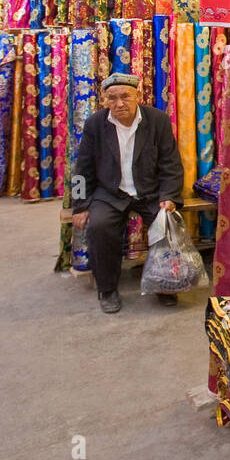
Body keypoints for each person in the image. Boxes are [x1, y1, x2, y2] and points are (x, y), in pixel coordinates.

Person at [72, 72, 184, 314]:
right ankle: (108, 289)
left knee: (165, 225)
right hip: (110, 192)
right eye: (112, 98)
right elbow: (81, 169)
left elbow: (170, 164)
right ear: (104, 100)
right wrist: (80, 205)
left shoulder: (157, 120)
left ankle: (166, 285)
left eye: (125, 96)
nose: (119, 103)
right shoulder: (95, 124)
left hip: (149, 191)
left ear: (137, 96)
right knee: (99, 227)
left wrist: (169, 196)